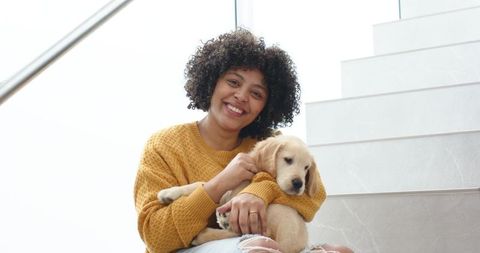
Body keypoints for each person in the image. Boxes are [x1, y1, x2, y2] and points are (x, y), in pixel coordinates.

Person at [134, 28, 354, 253]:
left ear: (265, 108)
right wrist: (219, 184)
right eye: (233, 82)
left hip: (260, 241)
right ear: (211, 81)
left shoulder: (268, 143)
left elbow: (313, 198)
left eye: (256, 94)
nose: (241, 96)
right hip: (196, 248)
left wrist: (257, 192)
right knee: (258, 249)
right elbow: (156, 237)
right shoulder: (164, 145)